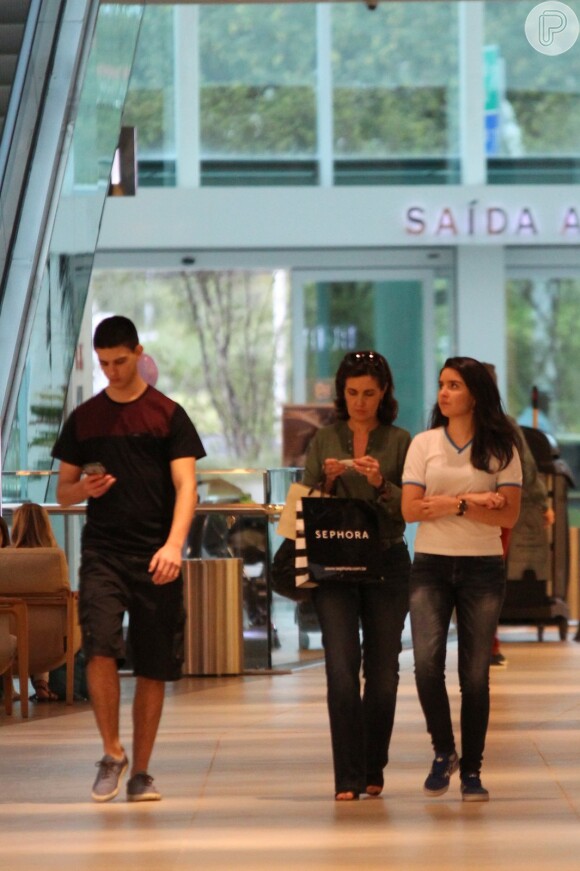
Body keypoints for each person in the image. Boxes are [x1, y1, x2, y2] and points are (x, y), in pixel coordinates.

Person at [52, 315, 206, 803]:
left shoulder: (168, 414)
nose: (112, 372)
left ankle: (141, 770)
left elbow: (187, 487)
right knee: (98, 643)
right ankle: (111, 751)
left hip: (155, 552)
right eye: (104, 364)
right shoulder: (86, 418)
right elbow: (64, 494)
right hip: (103, 550)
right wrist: (85, 488)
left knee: (154, 664)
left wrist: (174, 545)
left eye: (120, 361)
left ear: (139, 352)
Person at [402, 356, 522, 802]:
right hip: (431, 562)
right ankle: (443, 751)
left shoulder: (501, 446)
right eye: (441, 385)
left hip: (482, 565)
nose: (444, 393)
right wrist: (473, 499)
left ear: (475, 392)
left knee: (474, 676)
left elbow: (508, 511)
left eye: (453, 385)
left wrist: (449, 504)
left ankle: (472, 771)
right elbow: (411, 509)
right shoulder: (424, 444)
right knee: (426, 665)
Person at [302, 350, 411, 801]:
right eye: (351, 393)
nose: (360, 402)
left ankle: (372, 767)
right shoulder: (324, 439)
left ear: (383, 392)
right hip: (335, 562)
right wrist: (327, 484)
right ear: (340, 394)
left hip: (386, 559)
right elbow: (304, 502)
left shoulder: (402, 441)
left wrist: (381, 484)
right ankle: (347, 775)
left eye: (368, 393)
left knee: (383, 672)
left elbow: (409, 509)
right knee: (341, 668)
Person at [482, 364, 554, 667]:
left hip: (486, 511)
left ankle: (485, 642)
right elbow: (526, 466)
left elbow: (523, 466)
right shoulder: (503, 424)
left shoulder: (501, 425)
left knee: (482, 577)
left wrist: (539, 502)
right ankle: (487, 643)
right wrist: (541, 502)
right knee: (488, 576)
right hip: (492, 511)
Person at [11, 502, 62, 701]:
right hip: (52, 643)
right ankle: (43, 683)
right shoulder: (55, 559)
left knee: (27, 625)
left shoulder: (5, 559)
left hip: (12, 639)